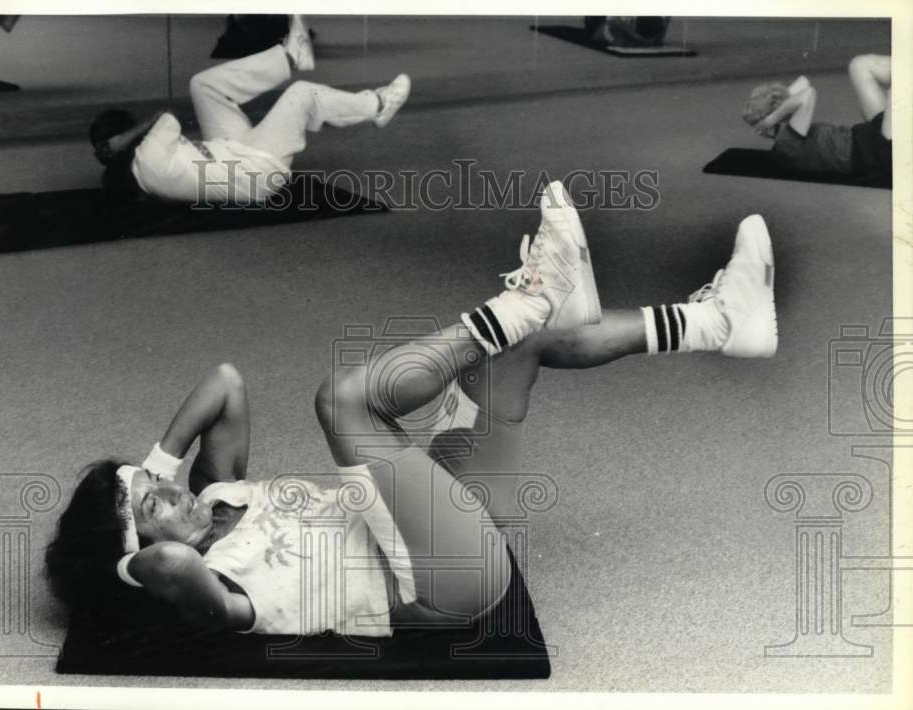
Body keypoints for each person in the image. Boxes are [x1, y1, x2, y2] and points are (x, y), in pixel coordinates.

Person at [45, 180, 778, 636]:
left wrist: (150, 470)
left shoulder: (213, 488)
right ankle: (525, 300)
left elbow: (225, 382)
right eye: (151, 505)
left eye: (154, 480)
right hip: (437, 583)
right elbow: (169, 562)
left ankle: (718, 325)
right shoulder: (214, 594)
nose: (170, 491)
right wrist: (126, 561)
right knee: (339, 401)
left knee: (522, 347)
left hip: (450, 515)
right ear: (134, 551)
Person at [88, 20, 411, 205]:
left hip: (230, 152)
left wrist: (116, 148)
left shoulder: (143, 169)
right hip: (257, 170)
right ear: (123, 141)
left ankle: (290, 57)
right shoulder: (149, 158)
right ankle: (378, 106)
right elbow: (166, 115)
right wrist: (122, 140)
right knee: (301, 95)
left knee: (202, 85)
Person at [743, 54, 892, 184]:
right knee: (900, 85)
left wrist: (776, 103)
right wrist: (771, 119)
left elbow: (803, 81)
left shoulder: (789, 127)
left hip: (871, 137)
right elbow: (808, 93)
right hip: (877, 154)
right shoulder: (787, 143)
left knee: (859, 65)